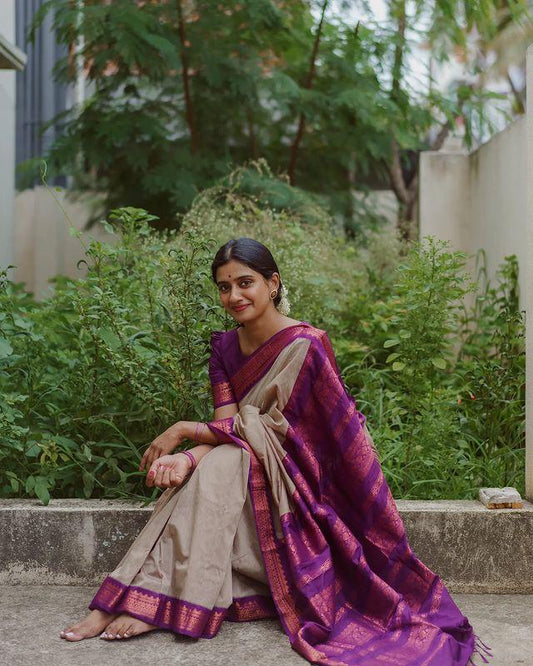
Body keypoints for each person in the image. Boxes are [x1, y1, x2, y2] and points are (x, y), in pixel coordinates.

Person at [60, 237, 492, 665]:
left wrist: (184, 437)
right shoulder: (224, 348)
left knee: (220, 463)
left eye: (245, 283)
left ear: (273, 283)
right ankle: (151, 595)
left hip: (303, 479)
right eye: (224, 287)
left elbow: (279, 432)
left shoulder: (306, 345)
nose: (234, 296)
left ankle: (146, 596)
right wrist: (189, 457)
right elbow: (232, 428)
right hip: (249, 464)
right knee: (218, 463)